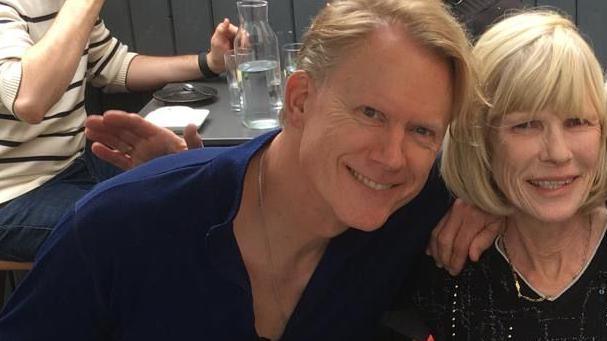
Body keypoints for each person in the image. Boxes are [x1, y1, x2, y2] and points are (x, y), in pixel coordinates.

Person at [0, 0, 482, 339]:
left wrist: (494, 207)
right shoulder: (116, 228)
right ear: (299, 100)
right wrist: (177, 195)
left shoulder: (413, 203)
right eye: (369, 113)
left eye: (422, 131)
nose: (393, 156)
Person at [403, 10, 607, 340]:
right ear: (480, 139)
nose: (557, 153)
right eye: (525, 125)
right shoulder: (447, 262)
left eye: (577, 122)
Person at [0, 0, 237, 261]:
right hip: (14, 192)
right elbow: (29, 98)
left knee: (197, 191)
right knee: (147, 231)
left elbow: (112, 66)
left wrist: (209, 62)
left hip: (77, 162)